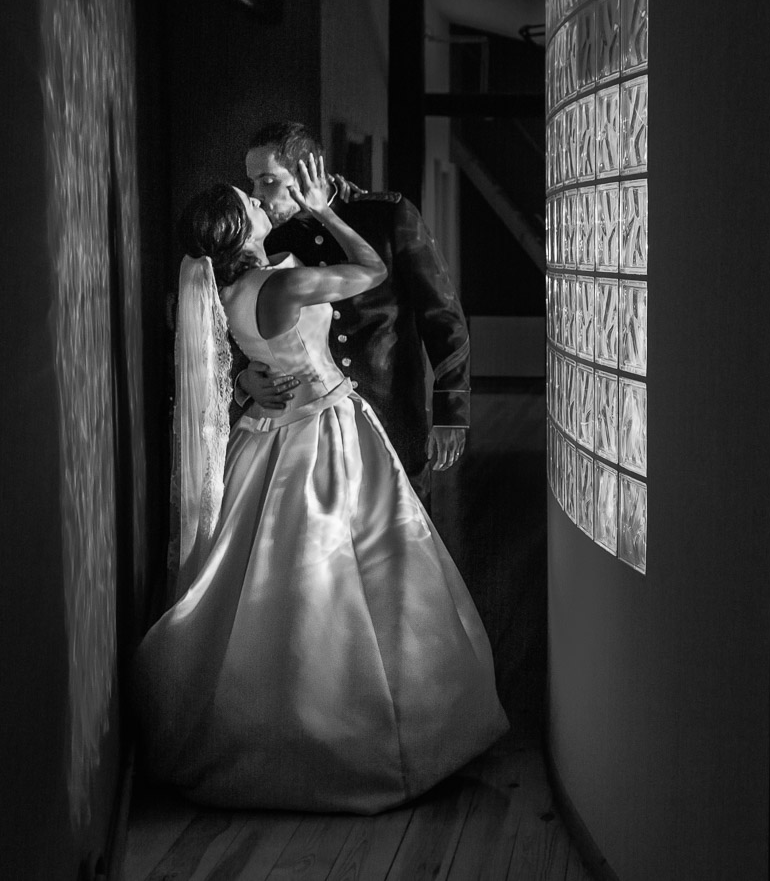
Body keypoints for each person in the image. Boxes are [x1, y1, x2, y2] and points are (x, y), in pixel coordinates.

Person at [134, 158, 508, 814]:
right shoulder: (283, 284)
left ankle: (261, 719)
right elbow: (371, 272)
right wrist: (327, 210)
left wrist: (249, 377)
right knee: (344, 580)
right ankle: (355, 734)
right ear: (240, 230)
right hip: (322, 434)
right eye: (248, 200)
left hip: (262, 436)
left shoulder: (222, 292)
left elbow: (224, 356)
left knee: (260, 591)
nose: (258, 200)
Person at [239, 121, 470, 501]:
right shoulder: (272, 238)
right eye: (252, 183)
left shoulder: (387, 216)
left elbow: (442, 315)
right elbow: (243, 322)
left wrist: (451, 410)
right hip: (310, 429)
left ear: (306, 171)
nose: (257, 196)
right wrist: (245, 379)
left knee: (404, 535)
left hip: (390, 411)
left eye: (267, 181)